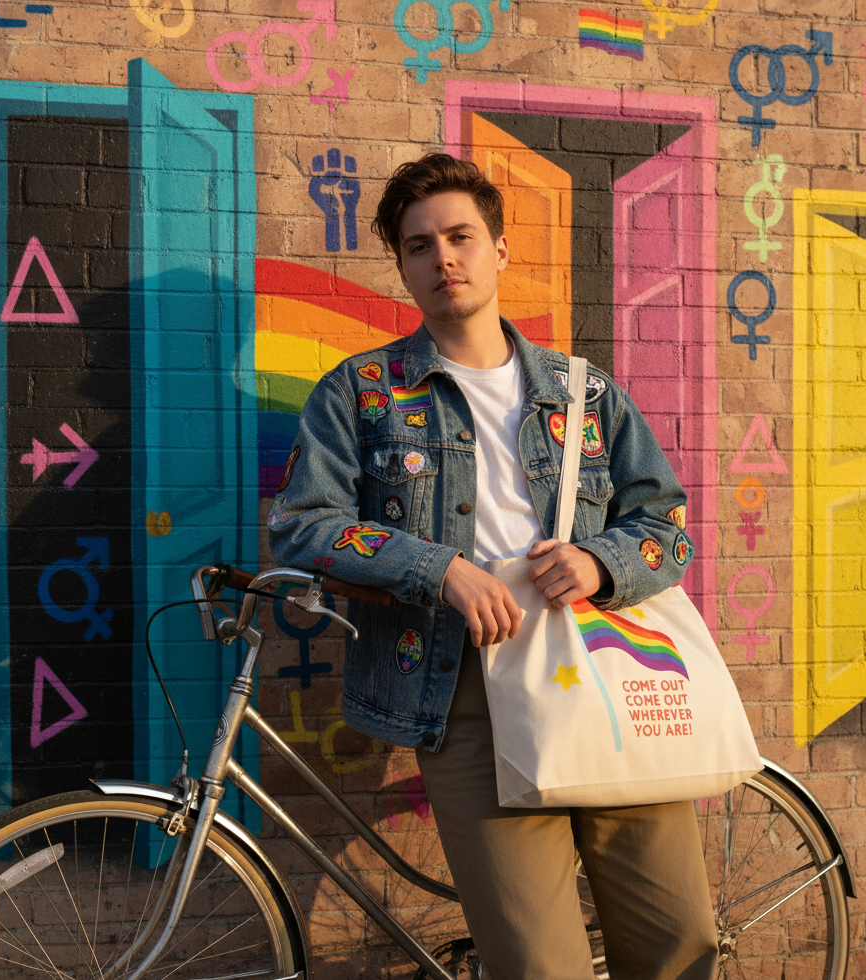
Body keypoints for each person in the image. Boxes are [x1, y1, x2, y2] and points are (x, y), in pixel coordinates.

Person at [267, 153, 718, 979]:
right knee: (536, 963)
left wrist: (598, 561)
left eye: (461, 237)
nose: (443, 257)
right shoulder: (363, 392)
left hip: (607, 671)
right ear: (401, 267)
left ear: (499, 252)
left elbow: (668, 525)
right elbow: (302, 526)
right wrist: (436, 568)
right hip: (462, 687)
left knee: (676, 937)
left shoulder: (583, 391)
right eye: (419, 245)